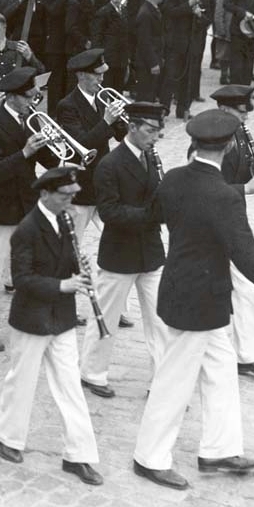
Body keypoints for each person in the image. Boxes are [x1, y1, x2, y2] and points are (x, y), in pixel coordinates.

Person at [132, 110, 254, 491]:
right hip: (199, 303)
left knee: (222, 369)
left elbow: (153, 217)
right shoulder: (225, 196)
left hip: (186, 294)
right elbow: (247, 258)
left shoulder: (173, 180)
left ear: (193, 144)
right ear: (227, 147)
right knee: (174, 382)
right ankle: (149, 457)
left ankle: (219, 449)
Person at [0, 165, 104, 486]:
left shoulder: (65, 219)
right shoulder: (26, 229)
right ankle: (6, 435)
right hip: (32, 318)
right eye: (64, 196)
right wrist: (62, 286)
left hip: (61, 317)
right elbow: (23, 279)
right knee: (21, 381)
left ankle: (79, 455)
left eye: (73, 195)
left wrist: (81, 272)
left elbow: (66, 261)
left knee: (70, 385)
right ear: (45, 193)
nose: (70, 201)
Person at [78, 102, 169, 398]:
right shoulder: (110, 164)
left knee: (161, 319)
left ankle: (163, 381)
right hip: (120, 253)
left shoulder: (151, 158)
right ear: (132, 127)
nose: (155, 137)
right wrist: (152, 215)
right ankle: (92, 372)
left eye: (158, 132)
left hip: (151, 252)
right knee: (106, 316)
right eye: (150, 130)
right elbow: (109, 212)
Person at [0, 67, 60, 352]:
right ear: (11, 98)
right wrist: (25, 152)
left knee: (35, 265)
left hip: (29, 202)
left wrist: (52, 147)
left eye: (34, 96)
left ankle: (34, 320)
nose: (32, 102)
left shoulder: (29, 121)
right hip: (5, 204)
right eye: (27, 97)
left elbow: (48, 162)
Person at [211, 85, 254, 377]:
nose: (246, 117)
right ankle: (240, 353)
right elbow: (207, 187)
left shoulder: (238, 133)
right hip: (212, 224)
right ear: (224, 110)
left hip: (231, 219)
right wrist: (245, 189)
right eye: (241, 112)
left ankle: (245, 353)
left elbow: (241, 171)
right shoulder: (210, 139)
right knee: (240, 286)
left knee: (239, 288)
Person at [54, 49, 127, 250]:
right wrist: (106, 121)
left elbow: (121, 136)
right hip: (82, 184)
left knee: (117, 237)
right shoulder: (67, 106)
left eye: (102, 74)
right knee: (71, 242)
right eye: (97, 74)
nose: (101, 79)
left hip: (104, 181)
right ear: (81, 75)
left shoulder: (102, 100)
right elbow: (82, 143)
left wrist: (122, 120)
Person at [132, 0, 168, 101]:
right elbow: (144, 41)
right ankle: (142, 117)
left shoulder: (151, 9)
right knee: (145, 93)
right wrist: (153, 63)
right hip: (147, 62)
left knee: (150, 92)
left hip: (152, 58)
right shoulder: (146, 14)